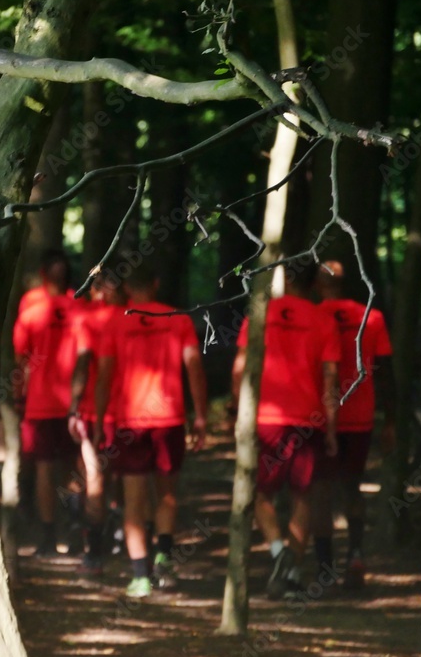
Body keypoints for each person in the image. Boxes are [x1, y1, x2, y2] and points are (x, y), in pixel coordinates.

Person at [232, 257, 341, 599]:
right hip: (309, 420)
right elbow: (331, 377)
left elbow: (240, 368)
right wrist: (332, 426)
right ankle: (289, 570)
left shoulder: (260, 315)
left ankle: (279, 553)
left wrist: (238, 410)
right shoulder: (323, 320)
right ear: (312, 283)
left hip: (265, 419)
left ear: (283, 277)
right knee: (302, 496)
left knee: (260, 494)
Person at [95, 267, 208, 598]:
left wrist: (101, 421)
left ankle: (141, 577)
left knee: (132, 500)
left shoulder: (115, 321)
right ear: (156, 282)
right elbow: (194, 367)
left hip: (128, 422)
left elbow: (103, 376)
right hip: (169, 420)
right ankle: (165, 558)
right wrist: (199, 415)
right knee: (167, 494)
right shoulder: (178, 318)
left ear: (127, 287)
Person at [313, 260, 395, 588]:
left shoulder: (311, 318)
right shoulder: (371, 317)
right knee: (353, 486)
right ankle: (356, 554)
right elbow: (386, 372)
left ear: (318, 285)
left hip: (319, 419)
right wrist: (390, 420)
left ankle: (324, 568)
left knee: (321, 492)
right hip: (360, 416)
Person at [13, 249, 82, 556]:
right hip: (74, 404)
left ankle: (47, 537)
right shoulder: (81, 308)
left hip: (40, 402)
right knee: (73, 467)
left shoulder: (30, 312)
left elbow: (21, 360)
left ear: (43, 274)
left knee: (43, 467)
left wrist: (19, 395)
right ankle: (77, 530)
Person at [68, 275, 126, 574]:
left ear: (96, 290)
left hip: (96, 411)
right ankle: (120, 536)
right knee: (123, 478)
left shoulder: (89, 320)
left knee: (93, 479)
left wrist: (74, 408)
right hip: (134, 412)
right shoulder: (133, 317)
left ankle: (93, 552)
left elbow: (82, 364)